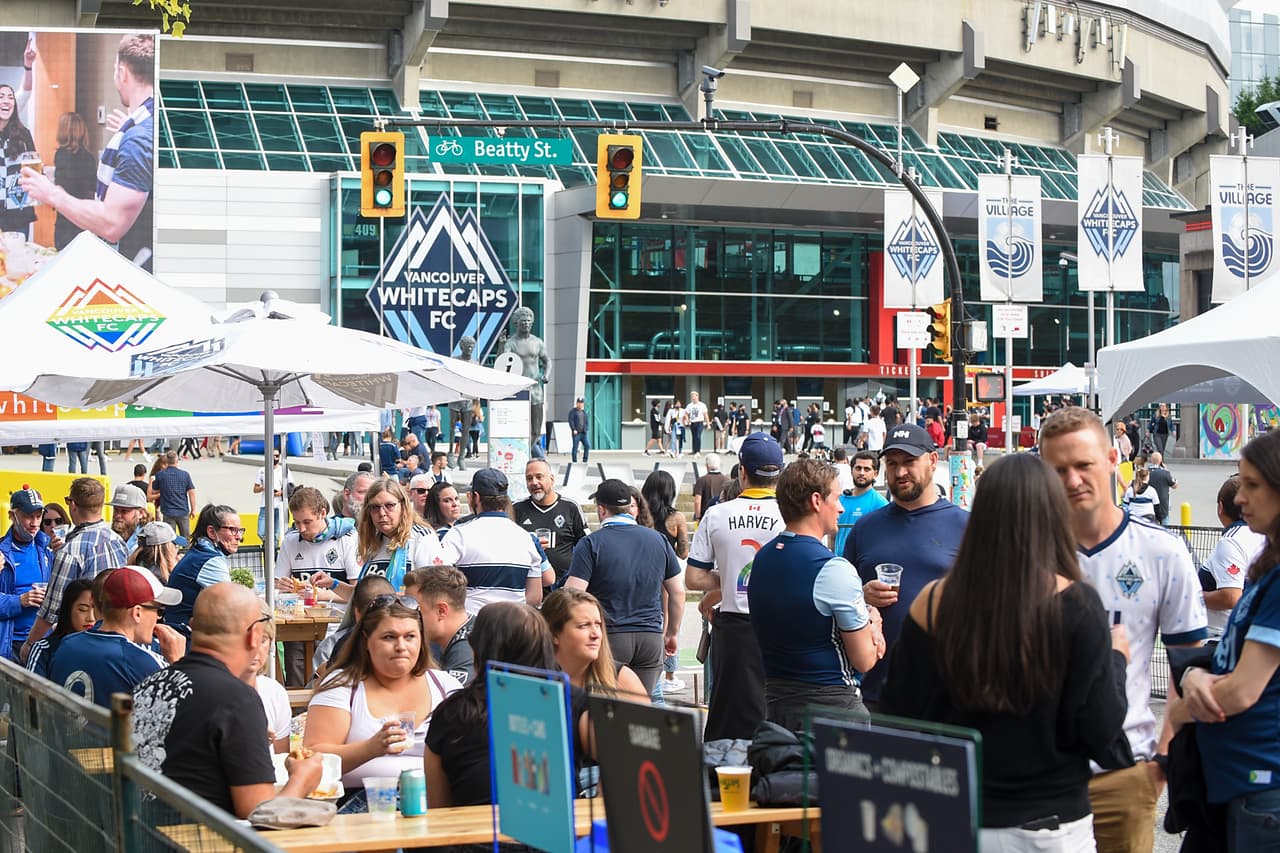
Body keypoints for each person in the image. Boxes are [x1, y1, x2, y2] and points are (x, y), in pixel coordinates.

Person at [880, 454, 1133, 850]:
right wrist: (1116, 660)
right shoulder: (1078, 606)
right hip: (1049, 825)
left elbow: (898, 715)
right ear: (1052, 515)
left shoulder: (932, 603)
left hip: (952, 819)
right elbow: (1101, 730)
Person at [1037, 406, 1207, 853]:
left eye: (1083, 465)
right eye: (1059, 469)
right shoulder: (1026, 554)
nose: (1072, 480)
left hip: (1125, 774)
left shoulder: (1162, 552)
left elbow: (1187, 665)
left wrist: (1162, 761)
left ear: (1114, 460)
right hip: (1039, 776)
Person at [1170, 427, 1280, 852]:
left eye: (1253, 485)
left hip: (1261, 786)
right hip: (1238, 785)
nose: (1240, 498)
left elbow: (1241, 691)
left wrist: (1187, 701)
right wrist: (1199, 673)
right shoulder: (1266, 568)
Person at [131, 583, 324, 818]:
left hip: (142, 836)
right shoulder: (238, 700)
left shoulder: (150, 685)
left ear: (192, 627)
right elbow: (260, 815)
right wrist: (302, 780)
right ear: (255, 635)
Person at [749, 458, 885, 730]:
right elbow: (865, 659)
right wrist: (876, 624)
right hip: (834, 710)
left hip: (777, 707)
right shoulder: (833, 569)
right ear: (816, 501)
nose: (841, 507)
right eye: (836, 498)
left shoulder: (762, 559)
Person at [841, 424, 968, 708]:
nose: (900, 473)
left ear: (933, 461)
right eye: (892, 464)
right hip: (876, 691)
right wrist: (862, 595)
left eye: (909, 462)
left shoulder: (965, 526)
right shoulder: (865, 528)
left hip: (948, 693)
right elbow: (840, 600)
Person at [424, 602, 592, 808]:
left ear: (478, 650)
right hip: (554, 836)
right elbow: (626, 761)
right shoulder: (570, 701)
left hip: (476, 835)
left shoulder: (450, 713)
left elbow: (439, 809)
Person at [306, 595, 462, 807]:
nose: (401, 646)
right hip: (362, 800)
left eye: (410, 637)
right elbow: (312, 757)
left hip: (433, 799)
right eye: (389, 637)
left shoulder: (445, 686)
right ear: (366, 640)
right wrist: (372, 747)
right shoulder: (343, 685)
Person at [21, 34, 155, 267]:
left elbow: (112, 224)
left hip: (128, 268)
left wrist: (51, 193)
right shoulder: (143, 128)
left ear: (122, 72)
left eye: (115, 70)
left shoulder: (139, 139)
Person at [686, 433, 784, 740]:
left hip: (734, 625)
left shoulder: (717, 514)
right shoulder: (790, 515)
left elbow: (693, 578)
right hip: (780, 624)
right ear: (778, 475)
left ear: (742, 471)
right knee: (776, 708)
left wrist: (730, 579)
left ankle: (721, 778)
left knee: (728, 713)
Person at [565, 479, 684, 695]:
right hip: (649, 638)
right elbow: (677, 592)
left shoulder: (591, 543)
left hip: (610, 637)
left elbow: (573, 595)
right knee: (641, 711)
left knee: (606, 709)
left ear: (601, 509)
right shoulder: (658, 540)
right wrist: (672, 633)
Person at [23, 478, 129, 664]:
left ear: (72, 505)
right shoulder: (117, 540)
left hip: (82, 640)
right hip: (116, 634)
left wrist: (30, 644)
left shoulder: (71, 550)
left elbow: (51, 608)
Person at [49, 565, 184, 708]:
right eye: (158, 610)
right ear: (137, 612)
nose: (157, 618)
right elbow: (182, 714)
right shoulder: (140, 661)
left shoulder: (67, 644)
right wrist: (178, 663)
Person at [274, 487, 359, 684]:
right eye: (296, 522)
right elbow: (277, 584)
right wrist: (284, 585)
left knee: (328, 684)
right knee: (296, 682)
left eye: (307, 522)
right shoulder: (290, 540)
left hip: (336, 629)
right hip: (298, 625)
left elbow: (358, 592)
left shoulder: (346, 540)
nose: (301, 528)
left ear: (322, 513)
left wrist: (323, 594)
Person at [439, 468, 549, 614]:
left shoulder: (458, 534)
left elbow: (437, 580)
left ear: (476, 497)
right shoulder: (528, 539)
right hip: (514, 625)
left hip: (472, 626)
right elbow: (535, 597)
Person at [320, 479, 445, 601]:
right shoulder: (373, 542)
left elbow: (436, 593)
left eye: (389, 505)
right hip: (373, 620)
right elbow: (363, 598)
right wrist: (333, 583)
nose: (382, 513)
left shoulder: (421, 538)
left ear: (403, 506)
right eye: (375, 507)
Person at [542, 588, 647, 699]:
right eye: (583, 625)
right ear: (553, 634)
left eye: (598, 624)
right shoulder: (533, 678)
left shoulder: (622, 679)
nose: (595, 634)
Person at [1201, 475, 1268, 639]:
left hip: (1223, 634)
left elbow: (1231, 597)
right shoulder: (1263, 535)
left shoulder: (1231, 542)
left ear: (1220, 507)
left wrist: (1194, 596)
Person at [641, 470, 689, 698]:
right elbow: (683, 551)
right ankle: (669, 674)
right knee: (670, 627)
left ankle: (650, 673)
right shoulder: (676, 518)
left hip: (643, 575)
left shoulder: (641, 516)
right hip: (667, 579)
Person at [163, 504, 243, 636]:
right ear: (211, 532)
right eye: (233, 530)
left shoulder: (199, 552)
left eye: (240, 530)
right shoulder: (210, 560)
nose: (239, 536)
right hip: (186, 636)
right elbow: (232, 605)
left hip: (176, 630)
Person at [512, 459, 588, 582]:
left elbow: (584, 546)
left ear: (551, 479)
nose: (534, 482)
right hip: (528, 584)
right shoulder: (516, 508)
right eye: (529, 478)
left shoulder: (570, 507)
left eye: (539, 477)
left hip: (563, 586)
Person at [0, 486, 53, 661]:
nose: (35, 523)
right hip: (9, 644)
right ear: (12, 516)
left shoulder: (46, 549)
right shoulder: (2, 552)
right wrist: (20, 601)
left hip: (42, 641)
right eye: (28, 516)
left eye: (38, 516)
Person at [406, 566, 475, 686]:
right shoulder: (472, 630)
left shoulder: (466, 649)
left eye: (414, 609)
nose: (407, 617)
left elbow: (449, 701)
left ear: (441, 611)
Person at [25, 577, 96, 681]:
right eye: (83, 609)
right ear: (67, 609)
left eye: (96, 610)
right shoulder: (44, 649)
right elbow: (31, 690)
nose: (91, 618)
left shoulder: (105, 651)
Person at [503, 308, 550, 450]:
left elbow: (548, 361)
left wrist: (546, 375)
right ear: (516, 323)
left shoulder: (537, 342)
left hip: (535, 390)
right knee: (518, 428)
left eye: (528, 321)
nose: (526, 323)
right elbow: (502, 361)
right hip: (518, 390)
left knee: (536, 430)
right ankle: (523, 454)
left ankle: (525, 452)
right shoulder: (510, 343)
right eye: (523, 321)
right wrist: (500, 344)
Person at [51, 111, 97, 250]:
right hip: (84, 215)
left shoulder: (61, 155)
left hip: (65, 217)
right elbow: (92, 188)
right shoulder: (89, 158)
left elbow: (61, 185)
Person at [834, 450, 888, 557]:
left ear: (875, 474)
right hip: (838, 564)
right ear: (851, 470)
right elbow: (833, 535)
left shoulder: (881, 504)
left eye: (867, 469)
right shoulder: (840, 499)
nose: (861, 473)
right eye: (858, 468)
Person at [0, 83, 36, 236]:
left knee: (17, 256)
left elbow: (35, 170)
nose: (6, 101)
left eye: (11, 97)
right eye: (1, 97)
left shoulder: (24, 135)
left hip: (18, 214)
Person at [149, 450, 196, 539]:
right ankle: (185, 551)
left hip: (167, 511)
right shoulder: (185, 475)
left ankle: (172, 552)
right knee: (185, 536)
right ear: (177, 460)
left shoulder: (160, 475)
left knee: (170, 538)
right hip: (182, 509)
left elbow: (154, 490)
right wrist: (193, 509)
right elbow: (191, 493)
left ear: (166, 461)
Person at [253, 449, 290, 546]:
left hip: (278, 505)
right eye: (272, 456)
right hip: (265, 504)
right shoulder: (262, 470)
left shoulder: (284, 470)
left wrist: (280, 492)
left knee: (275, 533)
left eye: (277, 456)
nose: (275, 458)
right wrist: (264, 487)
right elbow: (255, 489)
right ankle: (268, 546)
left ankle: (273, 555)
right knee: (261, 532)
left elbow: (291, 486)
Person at [107, 484, 147, 553]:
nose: (118, 515)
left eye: (124, 511)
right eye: (116, 509)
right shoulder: (108, 536)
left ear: (141, 513)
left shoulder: (145, 543)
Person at [692, 453, 729, 521]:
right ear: (719, 465)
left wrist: (698, 517)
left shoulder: (701, 480)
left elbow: (697, 501)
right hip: (722, 516)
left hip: (705, 516)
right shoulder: (726, 480)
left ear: (707, 466)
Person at [1146, 451, 1177, 525]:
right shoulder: (1165, 473)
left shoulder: (1146, 472)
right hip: (1163, 505)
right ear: (1161, 461)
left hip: (1150, 505)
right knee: (1165, 527)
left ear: (1151, 460)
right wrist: (1167, 470)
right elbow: (1174, 485)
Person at [568, 396, 590, 463]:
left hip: (583, 433)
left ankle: (585, 460)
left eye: (581, 403)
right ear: (576, 403)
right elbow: (571, 421)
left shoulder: (584, 412)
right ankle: (574, 461)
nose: (580, 404)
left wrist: (586, 429)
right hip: (576, 433)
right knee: (575, 447)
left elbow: (586, 422)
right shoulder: (573, 412)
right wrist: (573, 429)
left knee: (587, 445)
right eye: (579, 403)